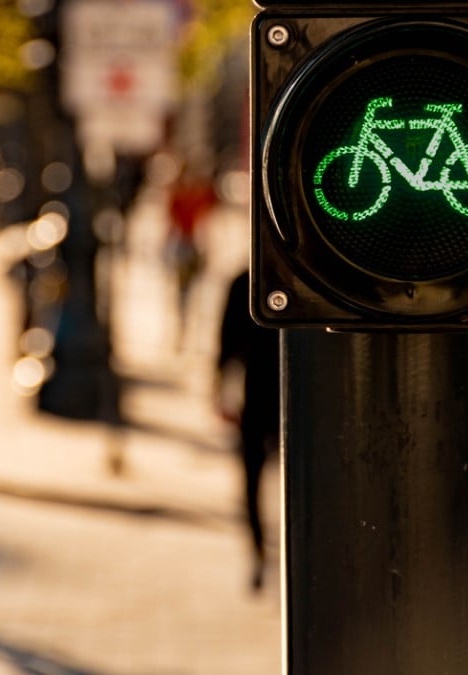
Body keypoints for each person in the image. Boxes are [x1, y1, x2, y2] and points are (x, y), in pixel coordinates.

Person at [216, 269, 280, 592]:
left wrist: (220, 389)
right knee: (263, 476)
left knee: (252, 477)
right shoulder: (246, 281)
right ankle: (262, 548)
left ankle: (259, 550)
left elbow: (225, 345)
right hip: (280, 392)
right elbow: (225, 343)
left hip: (257, 390)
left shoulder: (243, 281)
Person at [166, 162, 218, 348]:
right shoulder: (179, 195)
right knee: (184, 290)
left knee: (195, 288)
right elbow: (171, 224)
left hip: (194, 246)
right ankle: (183, 328)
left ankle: (191, 328)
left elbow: (208, 222)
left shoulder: (200, 195)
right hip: (184, 246)